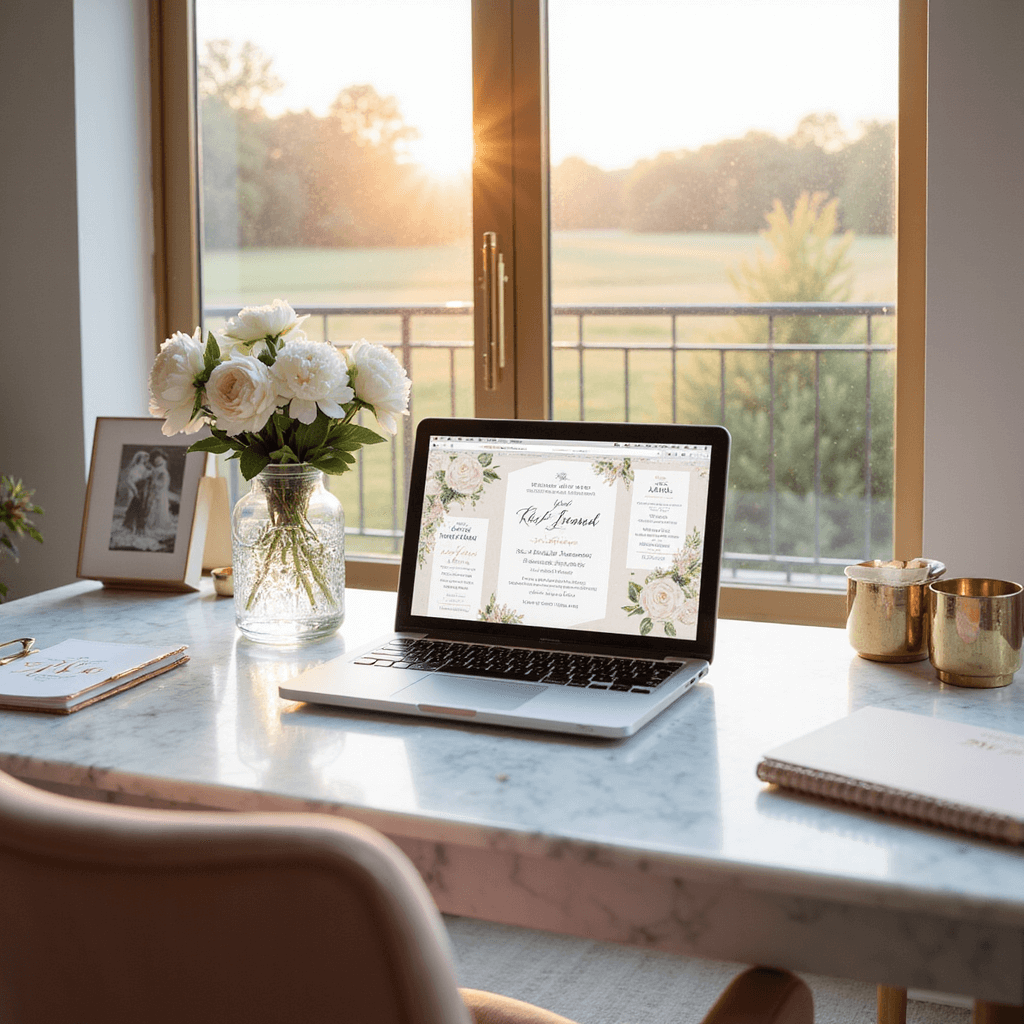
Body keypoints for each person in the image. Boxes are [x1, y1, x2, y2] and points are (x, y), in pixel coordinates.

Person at [142, 449, 173, 534]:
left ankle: (159, 525)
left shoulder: (162, 468)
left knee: (160, 506)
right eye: (155, 458)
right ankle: (152, 525)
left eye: (159, 458)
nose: (158, 460)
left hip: (161, 490)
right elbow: (152, 477)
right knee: (153, 506)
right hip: (156, 490)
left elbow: (163, 481)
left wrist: (155, 483)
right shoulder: (155, 468)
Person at [122, 451, 150, 535]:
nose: (144, 459)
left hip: (141, 490)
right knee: (135, 506)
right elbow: (130, 480)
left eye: (145, 458)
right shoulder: (136, 467)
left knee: (139, 507)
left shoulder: (144, 468)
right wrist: (135, 489)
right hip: (135, 489)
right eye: (143, 458)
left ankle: (136, 527)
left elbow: (144, 478)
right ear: (139, 458)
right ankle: (132, 526)